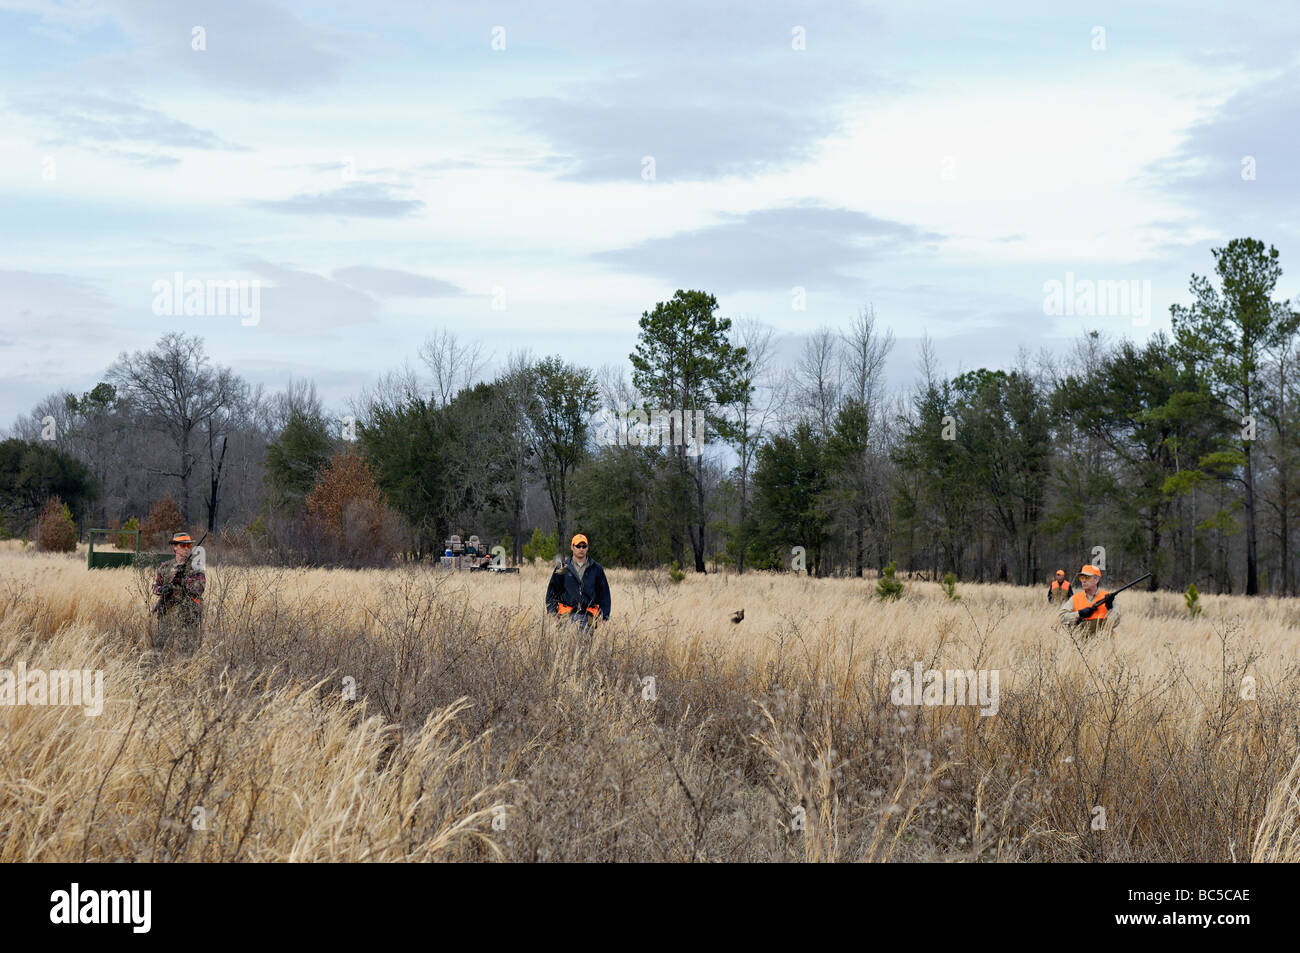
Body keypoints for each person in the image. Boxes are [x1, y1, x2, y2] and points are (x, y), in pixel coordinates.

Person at [151, 531, 205, 653]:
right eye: (182, 545)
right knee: (161, 647)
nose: (186, 549)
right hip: (167, 612)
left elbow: (200, 588)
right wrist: (162, 589)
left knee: (188, 649)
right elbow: (155, 586)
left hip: (189, 613)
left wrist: (185, 580)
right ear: (174, 547)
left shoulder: (196, 567)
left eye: (189, 546)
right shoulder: (165, 567)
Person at [545, 534, 611, 632]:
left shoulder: (596, 568)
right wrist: (553, 613)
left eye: (584, 546)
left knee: (587, 645)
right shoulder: (562, 568)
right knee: (566, 645)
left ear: (587, 548)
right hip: (566, 615)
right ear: (572, 547)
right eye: (578, 546)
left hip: (590, 615)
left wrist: (604, 617)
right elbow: (552, 592)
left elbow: (604, 594)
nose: (581, 549)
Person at [1057, 564, 1119, 637]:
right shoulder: (1075, 598)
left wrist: (1110, 608)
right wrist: (1079, 614)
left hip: (1104, 644)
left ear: (1096, 580)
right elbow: (1061, 618)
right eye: (1081, 577)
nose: (1083, 580)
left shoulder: (1108, 598)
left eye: (1087, 577)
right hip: (1081, 644)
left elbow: (1116, 622)